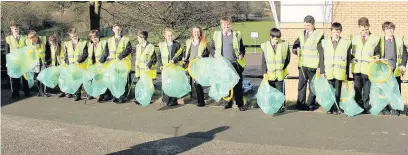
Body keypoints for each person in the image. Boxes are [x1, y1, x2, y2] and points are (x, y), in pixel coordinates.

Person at [211, 16, 246, 111]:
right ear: (221, 25)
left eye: (228, 24)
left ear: (231, 24)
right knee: (225, 84)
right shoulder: (217, 35)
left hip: (235, 63)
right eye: (224, 24)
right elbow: (212, 48)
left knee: (238, 84)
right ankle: (228, 102)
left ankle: (239, 104)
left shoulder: (236, 35)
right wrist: (214, 54)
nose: (226, 26)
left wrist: (242, 54)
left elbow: (242, 48)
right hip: (223, 64)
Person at [317, 22, 352, 115]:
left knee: (338, 90)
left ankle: (337, 108)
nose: (336, 33)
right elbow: (322, 57)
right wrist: (322, 70)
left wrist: (347, 72)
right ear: (331, 32)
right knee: (330, 90)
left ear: (340, 32)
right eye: (334, 31)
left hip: (340, 71)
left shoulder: (346, 43)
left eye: (338, 31)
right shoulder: (324, 43)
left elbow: (348, 58)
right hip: (329, 71)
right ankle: (330, 107)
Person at [374, 21, 408, 116]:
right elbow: (376, 51)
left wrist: (403, 65)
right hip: (383, 69)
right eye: (387, 28)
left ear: (393, 29)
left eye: (391, 28)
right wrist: (377, 56)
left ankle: (396, 109)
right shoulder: (380, 40)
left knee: (395, 89)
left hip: (395, 69)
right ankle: (384, 108)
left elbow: (405, 53)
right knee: (383, 89)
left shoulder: (399, 40)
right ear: (384, 30)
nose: (389, 30)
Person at [292, 15, 324, 111]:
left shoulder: (319, 35)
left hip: (313, 65)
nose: (307, 27)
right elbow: (296, 43)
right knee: (301, 85)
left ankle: (310, 105)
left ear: (313, 25)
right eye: (305, 25)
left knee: (313, 87)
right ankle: (300, 105)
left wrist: (320, 67)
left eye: (308, 25)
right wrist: (294, 48)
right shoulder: (302, 33)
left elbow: (322, 52)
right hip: (302, 65)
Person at [350, 17, 380, 114]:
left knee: (367, 90)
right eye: (363, 30)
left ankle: (366, 107)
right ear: (359, 28)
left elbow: (377, 51)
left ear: (369, 27)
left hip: (368, 69)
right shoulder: (354, 39)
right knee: (357, 89)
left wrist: (377, 56)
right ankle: (358, 107)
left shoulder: (375, 39)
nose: (365, 31)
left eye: (366, 29)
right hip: (357, 68)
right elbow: (351, 53)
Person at [260, 28, 290, 113]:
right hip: (270, 75)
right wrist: (264, 72)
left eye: (278, 39)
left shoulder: (284, 45)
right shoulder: (265, 46)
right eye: (275, 39)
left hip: (280, 74)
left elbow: (288, 58)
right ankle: (272, 107)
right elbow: (263, 61)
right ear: (271, 37)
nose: (277, 41)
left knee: (280, 92)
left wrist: (282, 67)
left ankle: (281, 107)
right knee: (271, 92)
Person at [182, 26, 210, 107]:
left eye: (198, 31)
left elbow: (207, 53)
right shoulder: (189, 42)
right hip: (190, 65)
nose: (196, 33)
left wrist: (202, 56)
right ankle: (196, 99)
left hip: (199, 66)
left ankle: (201, 101)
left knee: (197, 83)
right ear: (192, 33)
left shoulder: (203, 42)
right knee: (193, 83)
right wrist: (185, 58)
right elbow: (186, 51)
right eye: (195, 31)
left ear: (200, 33)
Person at [107, 23, 133, 103]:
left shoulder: (126, 39)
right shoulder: (109, 40)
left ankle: (123, 96)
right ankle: (115, 96)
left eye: (119, 29)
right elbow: (107, 51)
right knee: (115, 80)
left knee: (123, 81)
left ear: (121, 29)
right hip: (113, 64)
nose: (117, 31)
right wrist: (107, 57)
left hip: (124, 64)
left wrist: (119, 57)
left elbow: (128, 49)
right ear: (113, 30)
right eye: (116, 29)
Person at [158, 28, 183, 106]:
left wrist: (174, 61)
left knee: (174, 83)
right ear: (165, 36)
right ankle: (166, 99)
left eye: (171, 35)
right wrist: (160, 65)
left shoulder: (177, 45)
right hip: (165, 68)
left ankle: (173, 100)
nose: (170, 37)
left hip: (174, 67)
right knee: (166, 83)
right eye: (168, 36)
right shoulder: (162, 45)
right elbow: (159, 56)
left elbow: (180, 56)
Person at [62, 28, 89, 101]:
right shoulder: (67, 44)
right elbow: (66, 55)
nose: (75, 37)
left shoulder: (83, 42)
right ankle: (76, 94)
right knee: (74, 80)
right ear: (70, 37)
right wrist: (67, 62)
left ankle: (82, 94)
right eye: (73, 37)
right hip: (72, 66)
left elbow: (85, 54)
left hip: (80, 65)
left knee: (81, 80)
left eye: (76, 36)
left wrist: (79, 61)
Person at [4, 23, 30, 98]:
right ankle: (15, 93)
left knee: (25, 77)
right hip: (14, 61)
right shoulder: (8, 39)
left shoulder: (24, 37)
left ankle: (27, 92)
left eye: (17, 29)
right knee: (16, 78)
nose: (16, 30)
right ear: (11, 30)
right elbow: (7, 51)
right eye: (15, 29)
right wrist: (7, 62)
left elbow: (28, 47)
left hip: (23, 60)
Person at [133, 30, 157, 104]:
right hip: (140, 69)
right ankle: (141, 99)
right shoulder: (137, 47)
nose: (137, 39)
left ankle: (147, 99)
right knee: (141, 85)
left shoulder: (151, 47)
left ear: (142, 38)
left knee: (147, 85)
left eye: (138, 38)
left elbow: (154, 59)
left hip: (147, 70)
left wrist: (148, 65)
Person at [87, 30, 111, 103]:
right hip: (94, 66)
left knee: (103, 80)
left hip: (102, 65)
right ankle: (100, 94)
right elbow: (90, 57)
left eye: (95, 37)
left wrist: (100, 62)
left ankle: (106, 95)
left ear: (98, 36)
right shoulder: (90, 46)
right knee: (97, 80)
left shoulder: (103, 43)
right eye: (92, 38)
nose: (94, 39)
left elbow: (106, 53)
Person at [26, 31, 51, 97]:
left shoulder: (43, 40)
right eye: (31, 38)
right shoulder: (29, 42)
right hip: (35, 63)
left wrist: (48, 60)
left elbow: (48, 51)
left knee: (42, 77)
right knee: (37, 78)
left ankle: (42, 92)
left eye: (33, 38)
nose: (33, 40)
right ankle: (40, 92)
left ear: (36, 36)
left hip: (42, 61)